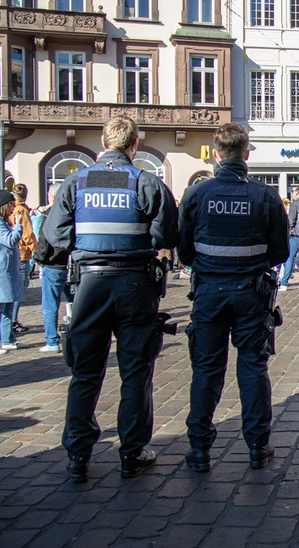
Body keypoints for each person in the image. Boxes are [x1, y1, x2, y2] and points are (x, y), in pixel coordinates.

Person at [43, 115, 179, 483]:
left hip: (90, 285)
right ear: (134, 145)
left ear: (103, 142)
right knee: (136, 371)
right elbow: (167, 233)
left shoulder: (77, 181)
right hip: (135, 285)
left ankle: (78, 454)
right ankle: (132, 452)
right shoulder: (146, 182)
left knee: (85, 373)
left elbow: (52, 240)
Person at [178, 123, 289, 472]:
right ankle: (257, 446)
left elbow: (184, 251)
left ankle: (199, 449)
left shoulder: (196, 194)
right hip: (251, 293)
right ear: (247, 154)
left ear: (215, 154)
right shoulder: (265, 195)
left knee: (207, 369)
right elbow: (281, 251)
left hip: (209, 291)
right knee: (253, 367)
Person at [34, 183, 74, 353]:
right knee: (75, 301)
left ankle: (52, 341)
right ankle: (80, 334)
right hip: (71, 263)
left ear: (51, 197)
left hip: (54, 264)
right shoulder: (73, 212)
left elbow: (44, 240)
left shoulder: (50, 215)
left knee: (50, 305)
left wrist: (39, 259)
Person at [0, 191, 24, 354]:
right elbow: (10, 241)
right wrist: (18, 225)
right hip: (3, 272)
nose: (13, 209)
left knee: (8, 307)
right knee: (3, 307)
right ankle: (5, 340)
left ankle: (9, 338)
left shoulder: (3, 221)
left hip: (7, 270)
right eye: (11, 205)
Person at [11, 183, 36, 334]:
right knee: (18, 290)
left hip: (13, 253)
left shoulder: (9, 208)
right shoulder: (22, 211)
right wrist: (37, 251)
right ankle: (13, 321)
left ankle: (10, 321)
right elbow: (27, 234)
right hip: (22, 254)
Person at [279, 186, 299, 292]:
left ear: (297, 193)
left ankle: (284, 283)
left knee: (290, 258)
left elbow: (291, 221)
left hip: (296, 236)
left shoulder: (295, 204)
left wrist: (287, 234)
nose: (291, 193)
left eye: (292, 191)